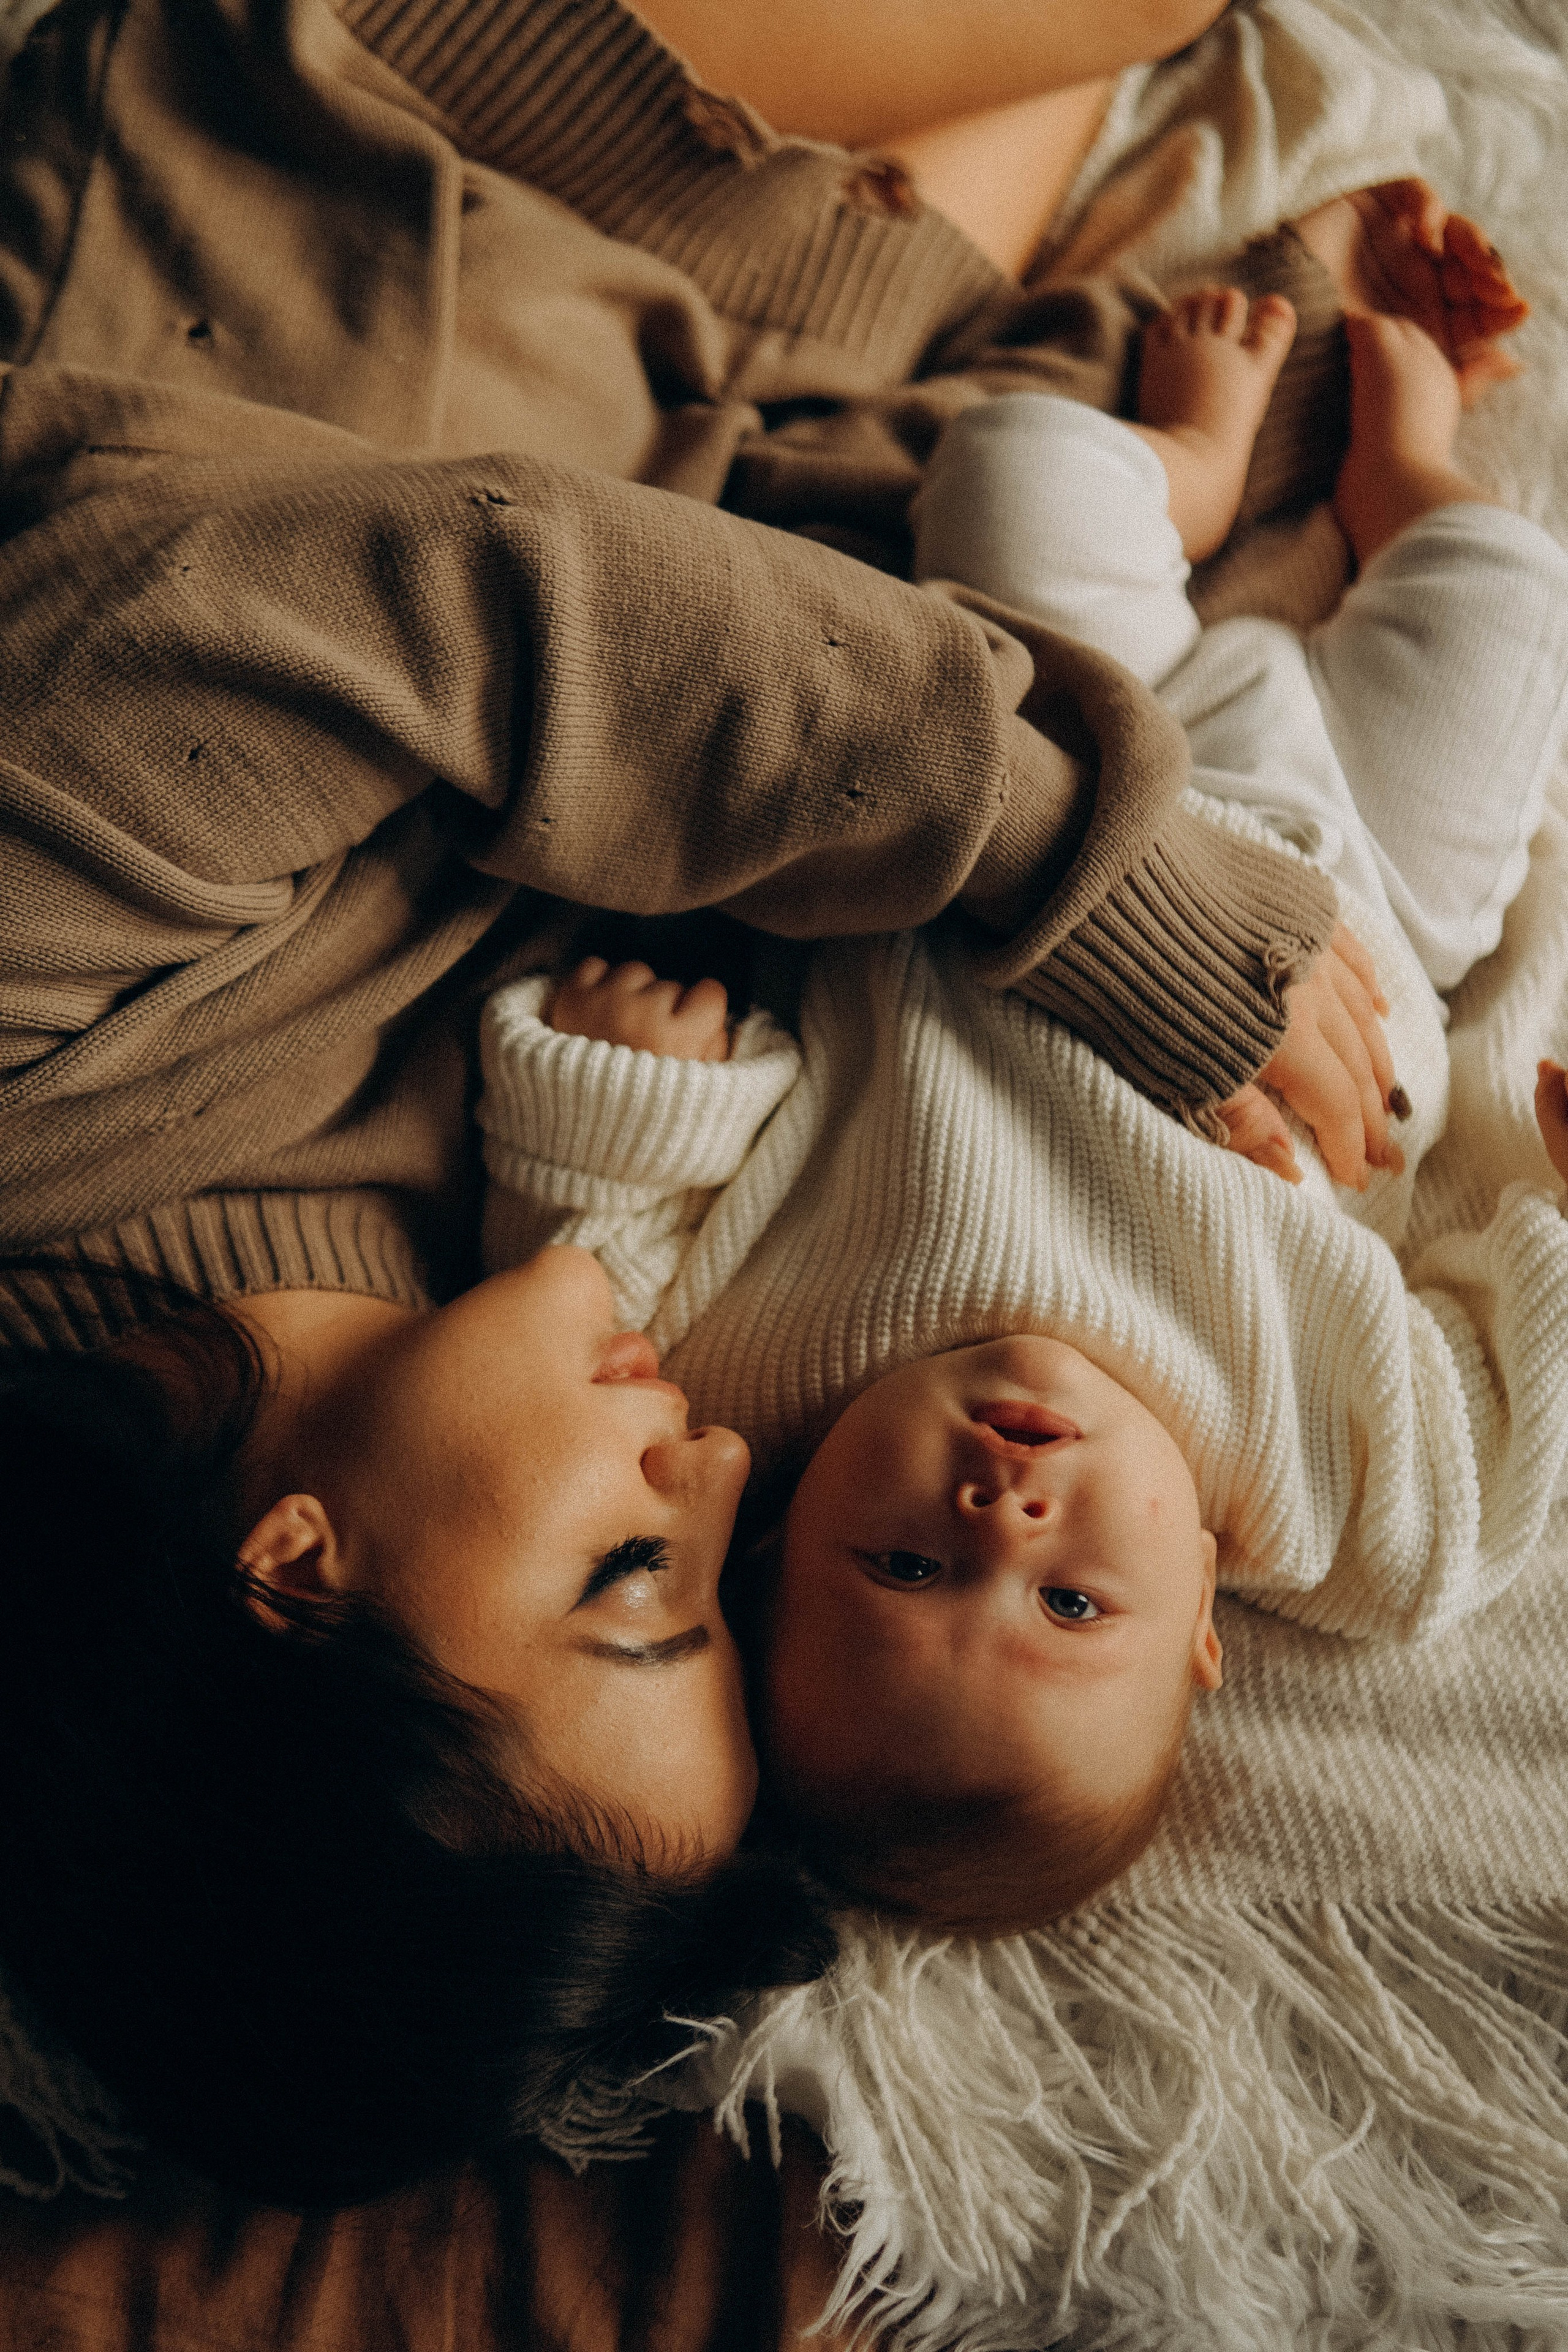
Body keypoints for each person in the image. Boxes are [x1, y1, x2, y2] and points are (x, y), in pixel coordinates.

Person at [3, 0, 1401, 2200]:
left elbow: (470, 602)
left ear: (289, 1578)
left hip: (382, 120)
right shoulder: (473, 1274)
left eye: (633, 1569)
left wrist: (1073, 858)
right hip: (765, 335)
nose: (726, 1450)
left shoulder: (31, 1070)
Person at [478, 279, 1568, 1934]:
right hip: (1369, 905)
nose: (1004, 1512)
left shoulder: (748, 1371)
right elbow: (1518, 1417)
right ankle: (1403, 476)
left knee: (1017, 465)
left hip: (1064, 769)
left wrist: (619, 1082)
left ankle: (1193, 463)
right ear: (1203, 1622)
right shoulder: (1344, 1512)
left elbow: (588, 1269)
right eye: (1074, 1603)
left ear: (768, 1557)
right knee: (1514, 599)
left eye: (905, 1568)